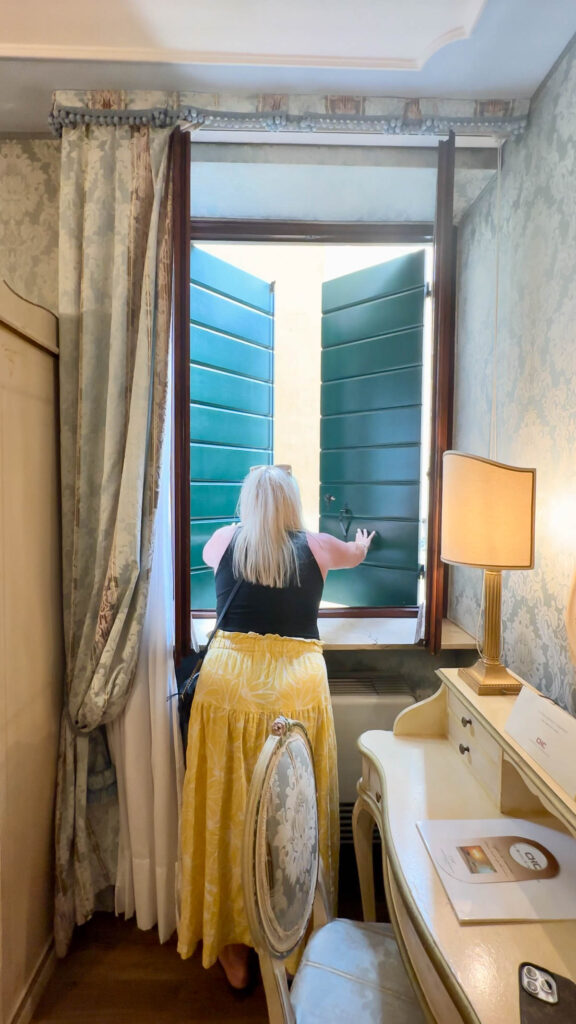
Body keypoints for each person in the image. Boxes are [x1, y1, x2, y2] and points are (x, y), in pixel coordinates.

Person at [177, 465, 374, 988]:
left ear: (248, 503)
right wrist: (362, 542)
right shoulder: (319, 546)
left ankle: (235, 948)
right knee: (293, 818)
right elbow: (358, 555)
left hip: (229, 691)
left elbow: (207, 558)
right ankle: (295, 942)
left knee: (231, 814)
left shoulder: (224, 540)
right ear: (292, 503)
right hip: (293, 694)